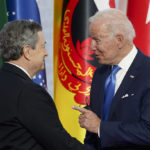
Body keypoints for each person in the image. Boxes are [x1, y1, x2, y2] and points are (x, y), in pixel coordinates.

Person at [0, 20, 90, 150]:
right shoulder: (28, 92)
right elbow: (60, 144)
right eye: (43, 46)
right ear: (27, 52)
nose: (46, 53)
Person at [72, 8, 150, 150]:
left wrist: (101, 127)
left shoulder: (147, 72)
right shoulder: (100, 74)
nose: (91, 47)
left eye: (96, 40)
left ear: (119, 40)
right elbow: (92, 134)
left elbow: (147, 131)